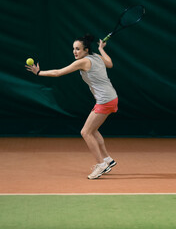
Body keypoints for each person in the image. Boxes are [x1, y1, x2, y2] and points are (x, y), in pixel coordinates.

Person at [26, 34, 118, 180]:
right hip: (111, 97)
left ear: (86, 50)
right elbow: (110, 63)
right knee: (93, 130)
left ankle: (101, 164)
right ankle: (107, 159)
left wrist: (39, 73)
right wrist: (101, 49)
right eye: (73, 49)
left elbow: (58, 73)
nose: (75, 52)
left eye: (78, 49)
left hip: (105, 100)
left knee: (86, 132)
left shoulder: (83, 61)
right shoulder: (97, 57)